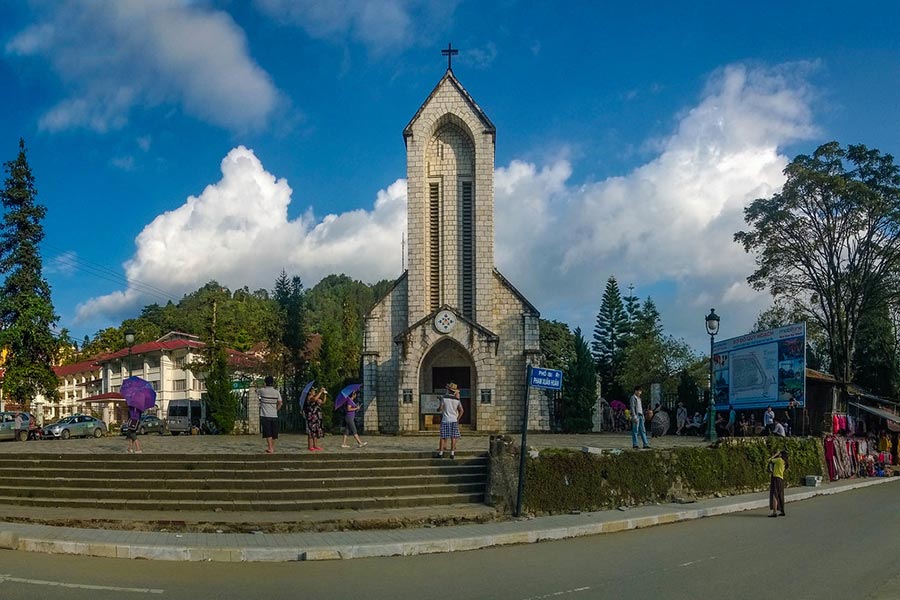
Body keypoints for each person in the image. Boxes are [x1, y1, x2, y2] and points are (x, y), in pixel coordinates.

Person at [436, 382, 464, 458]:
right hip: (454, 420)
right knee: (453, 437)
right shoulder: (457, 400)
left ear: (448, 390)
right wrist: (458, 418)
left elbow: (441, 408)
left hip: (445, 420)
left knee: (443, 437)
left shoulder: (444, 398)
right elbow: (461, 410)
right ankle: (452, 453)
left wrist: (438, 409)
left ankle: (441, 453)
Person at [258, 376, 283, 454]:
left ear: (265, 382)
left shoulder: (262, 391)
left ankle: (270, 448)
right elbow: (280, 403)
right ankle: (272, 447)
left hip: (265, 415)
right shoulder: (276, 392)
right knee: (273, 433)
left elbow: (256, 391)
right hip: (274, 415)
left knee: (268, 432)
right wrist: (276, 409)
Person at [304, 386, 326, 452]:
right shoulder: (309, 398)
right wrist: (320, 392)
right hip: (311, 416)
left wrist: (324, 394)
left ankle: (315, 445)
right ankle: (310, 446)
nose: (314, 392)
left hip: (317, 417)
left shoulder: (316, 397)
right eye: (313, 391)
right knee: (311, 432)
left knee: (316, 431)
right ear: (310, 392)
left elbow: (323, 402)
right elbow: (314, 399)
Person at [768, 449, 789, 517]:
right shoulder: (784, 462)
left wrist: (776, 454)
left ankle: (774, 512)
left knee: (775, 494)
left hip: (776, 478)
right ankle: (782, 510)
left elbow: (770, 460)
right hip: (781, 479)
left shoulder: (779, 460)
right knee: (780, 495)